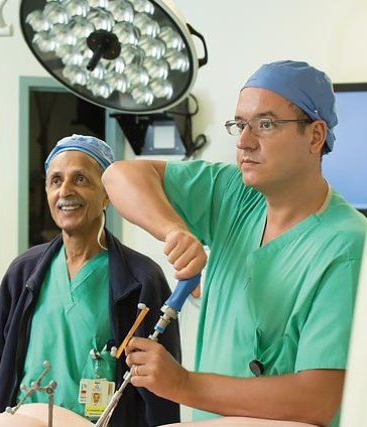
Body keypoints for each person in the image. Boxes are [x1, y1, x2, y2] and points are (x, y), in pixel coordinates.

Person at [101, 60, 367, 427]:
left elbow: (317, 399)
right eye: (240, 124)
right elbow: (119, 176)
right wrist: (173, 230)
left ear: (315, 135)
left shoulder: (348, 245)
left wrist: (182, 384)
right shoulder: (235, 195)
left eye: (266, 124)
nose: (244, 141)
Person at [0, 134, 182, 426]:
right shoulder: (23, 274)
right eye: (55, 181)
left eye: (80, 179)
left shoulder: (142, 280)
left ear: (107, 195)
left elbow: (163, 389)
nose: (65, 191)